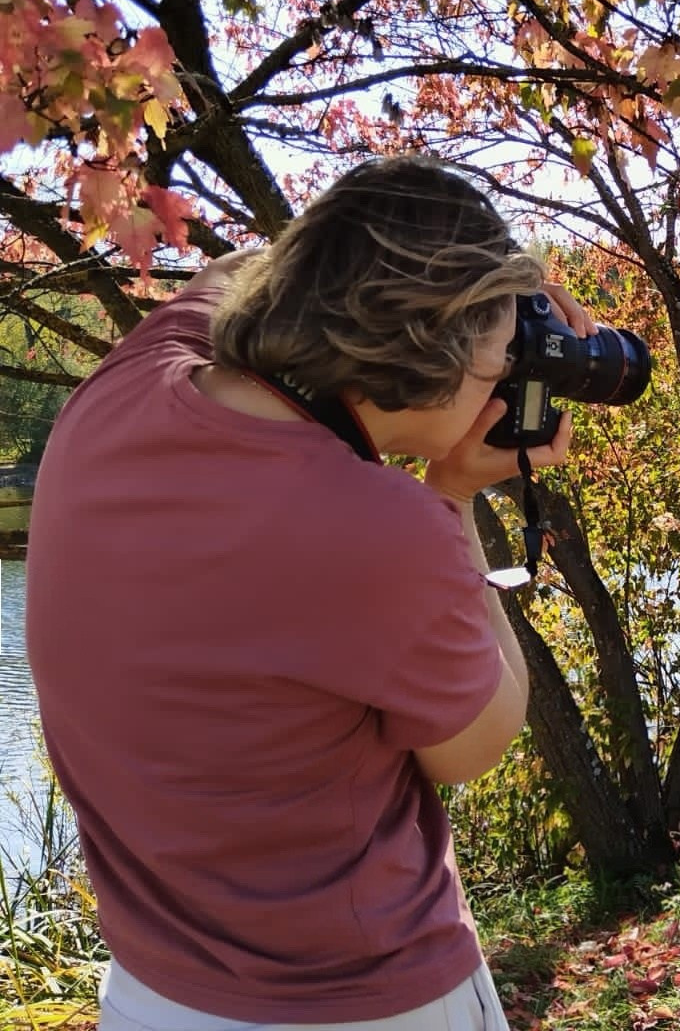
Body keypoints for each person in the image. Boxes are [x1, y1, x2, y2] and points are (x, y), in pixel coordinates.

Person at [25, 156, 595, 1029]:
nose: (508, 384)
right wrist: (452, 496)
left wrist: (479, 279)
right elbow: (475, 745)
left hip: (153, 993)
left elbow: (249, 272)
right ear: (425, 351)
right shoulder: (384, 529)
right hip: (360, 1000)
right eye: (499, 362)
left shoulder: (127, 385)